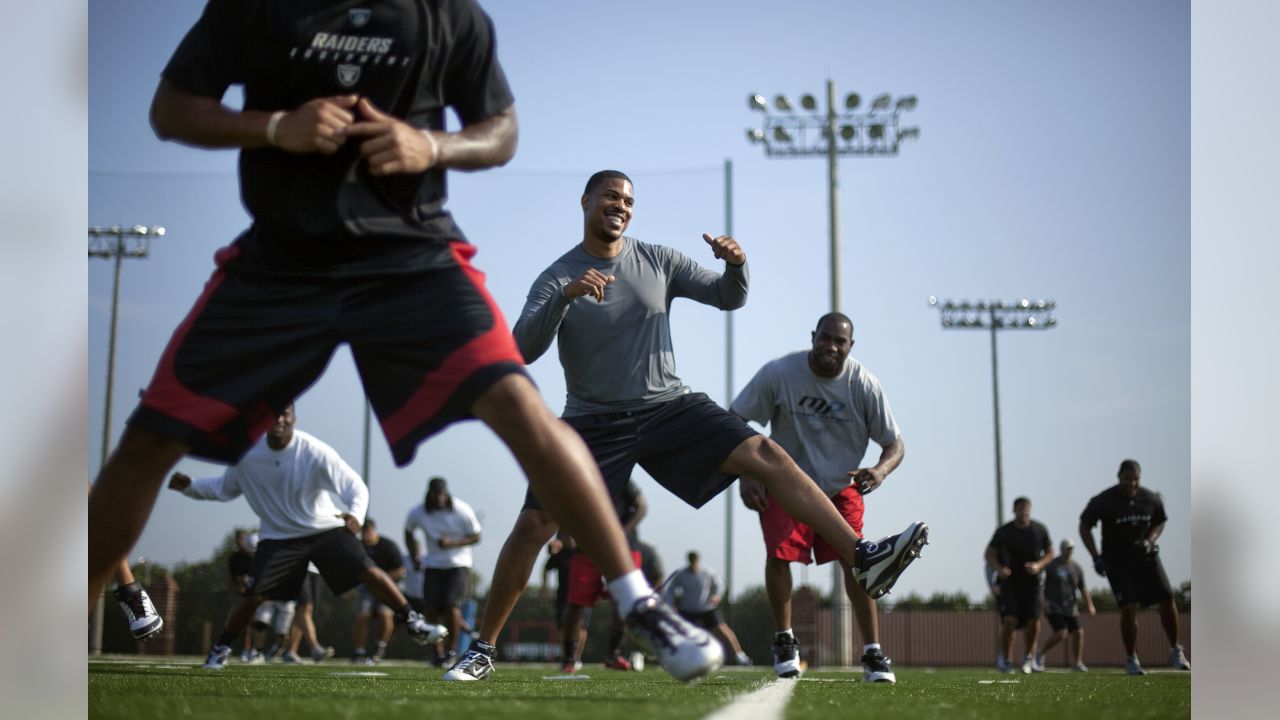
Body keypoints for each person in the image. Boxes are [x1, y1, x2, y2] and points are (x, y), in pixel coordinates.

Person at [85, 0, 705, 685]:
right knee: (147, 440)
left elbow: (499, 132)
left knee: (520, 408)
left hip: (414, 258)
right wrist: (272, 126)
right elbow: (172, 107)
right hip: (279, 262)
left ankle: (641, 602)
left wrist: (430, 145)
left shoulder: (447, 14)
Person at [442, 170, 927, 682]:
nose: (620, 205)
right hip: (593, 421)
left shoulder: (658, 259)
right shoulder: (557, 275)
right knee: (534, 526)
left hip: (668, 406)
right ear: (585, 201)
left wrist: (737, 265)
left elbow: (728, 296)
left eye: (628, 200)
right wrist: (566, 296)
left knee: (766, 455)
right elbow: (521, 348)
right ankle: (481, 650)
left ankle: (863, 555)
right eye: (611, 196)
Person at [166, 405, 445, 669]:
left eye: (285, 414)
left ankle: (413, 622)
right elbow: (222, 488)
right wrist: (190, 486)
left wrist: (355, 515)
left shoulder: (312, 451)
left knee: (367, 569)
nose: (279, 420)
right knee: (253, 594)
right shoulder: (246, 455)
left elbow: (354, 486)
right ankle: (221, 649)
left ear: (294, 419)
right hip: (278, 538)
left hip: (324, 529)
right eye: (272, 415)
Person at [732, 312, 906, 682]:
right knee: (778, 555)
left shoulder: (863, 383)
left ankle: (873, 652)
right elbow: (734, 419)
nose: (830, 346)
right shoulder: (780, 373)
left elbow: (894, 443)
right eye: (824, 338)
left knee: (859, 561)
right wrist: (747, 473)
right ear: (813, 337)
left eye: (839, 341)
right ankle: (785, 640)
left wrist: (880, 470)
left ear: (850, 347)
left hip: (840, 487)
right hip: (785, 482)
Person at [1080, 459, 1191, 675]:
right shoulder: (1104, 500)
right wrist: (1095, 556)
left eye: (1135, 479)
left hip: (1146, 557)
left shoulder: (1150, 498)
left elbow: (1160, 520)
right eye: (1127, 479)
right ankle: (1131, 657)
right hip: (1117, 561)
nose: (1131, 483)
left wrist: (1150, 540)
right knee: (1128, 606)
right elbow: (1084, 526)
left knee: (1167, 597)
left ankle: (1176, 650)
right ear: (1118, 477)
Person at [404, 477, 481, 667]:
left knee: (450, 605)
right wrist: (414, 555)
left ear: (447, 494)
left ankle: (452, 652)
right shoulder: (419, 512)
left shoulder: (461, 510)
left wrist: (452, 543)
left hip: (458, 563)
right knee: (430, 607)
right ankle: (437, 653)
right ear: (429, 494)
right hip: (433, 564)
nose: (439, 498)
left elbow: (476, 536)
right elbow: (408, 531)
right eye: (435, 495)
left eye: (442, 494)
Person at [985, 497, 1054, 674]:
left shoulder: (1039, 530)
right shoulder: (1004, 532)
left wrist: (1038, 566)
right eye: (1020, 510)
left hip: (1033, 583)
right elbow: (989, 555)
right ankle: (1006, 660)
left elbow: (1050, 553)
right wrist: (1000, 569)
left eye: (1026, 510)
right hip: (1010, 583)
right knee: (1010, 620)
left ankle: (1028, 658)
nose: (1023, 513)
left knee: (1033, 620)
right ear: (1014, 510)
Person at [663, 552, 751, 667]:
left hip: (706, 608)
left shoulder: (707, 572)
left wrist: (717, 596)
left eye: (695, 561)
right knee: (681, 633)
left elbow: (720, 585)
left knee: (722, 629)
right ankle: (675, 659)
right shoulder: (681, 574)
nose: (693, 564)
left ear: (698, 560)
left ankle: (740, 656)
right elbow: (670, 590)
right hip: (687, 610)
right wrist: (671, 605)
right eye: (691, 561)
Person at [1035, 538, 1096, 671]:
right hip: (1053, 605)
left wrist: (1090, 605)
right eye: (1067, 549)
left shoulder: (1076, 567)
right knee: (1061, 632)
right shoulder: (1051, 565)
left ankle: (1077, 663)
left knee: (1078, 632)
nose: (1069, 552)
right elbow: (1041, 585)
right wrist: (1043, 601)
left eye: (1071, 549)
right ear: (1061, 549)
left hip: (1070, 607)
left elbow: (1083, 588)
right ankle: (1040, 654)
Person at [352, 518, 406, 664]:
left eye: (368, 532)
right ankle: (358, 651)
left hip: (389, 588)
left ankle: (379, 648)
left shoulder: (388, 546)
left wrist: (383, 579)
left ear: (374, 531)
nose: (366, 536)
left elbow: (401, 569)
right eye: (363, 533)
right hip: (367, 587)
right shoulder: (358, 546)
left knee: (385, 614)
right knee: (361, 616)